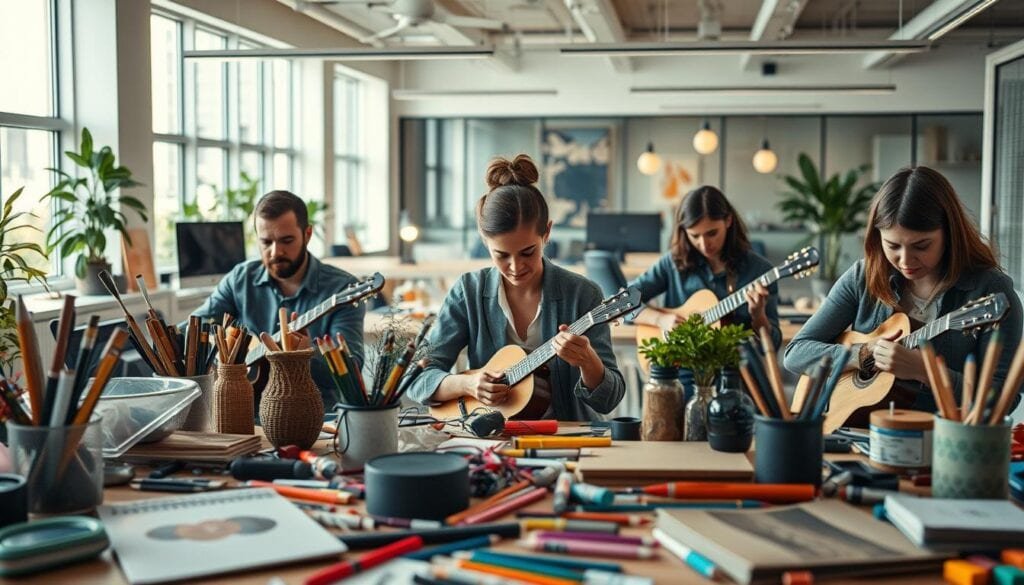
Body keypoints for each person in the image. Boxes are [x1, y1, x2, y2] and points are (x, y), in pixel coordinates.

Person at [783, 166, 1023, 414]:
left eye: (921, 246)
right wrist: (863, 354)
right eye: (893, 246)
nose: (906, 260)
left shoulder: (990, 290)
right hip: (856, 435)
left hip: (940, 440)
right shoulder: (863, 276)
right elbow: (795, 353)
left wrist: (926, 371)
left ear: (950, 233)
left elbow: (1004, 398)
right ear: (877, 239)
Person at [405, 154, 625, 421]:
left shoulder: (582, 294)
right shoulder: (468, 291)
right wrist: (469, 385)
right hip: (490, 438)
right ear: (485, 242)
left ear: (547, 233)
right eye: (501, 255)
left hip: (568, 437)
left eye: (527, 252)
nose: (515, 267)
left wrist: (587, 360)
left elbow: (609, 400)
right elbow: (416, 378)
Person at [190, 190, 365, 407]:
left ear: (308, 234)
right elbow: (195, 327)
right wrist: (222, 351)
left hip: (317, 417)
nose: (275, 252)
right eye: (266, 242)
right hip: (245, 412)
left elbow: (351, 371)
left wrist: (304, 357)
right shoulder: (240, 279)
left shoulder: (342, 288)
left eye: (287, 240)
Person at [629, 186, 781, 390]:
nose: (703, 243)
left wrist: (758, 316)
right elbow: (623, 303)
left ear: (728, 221)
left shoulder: (760, 271)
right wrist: (660, 319)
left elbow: (772, 346)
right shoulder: (673, 263)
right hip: (679, 376)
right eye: (694, 235)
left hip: (735, 380)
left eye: (712, 233)